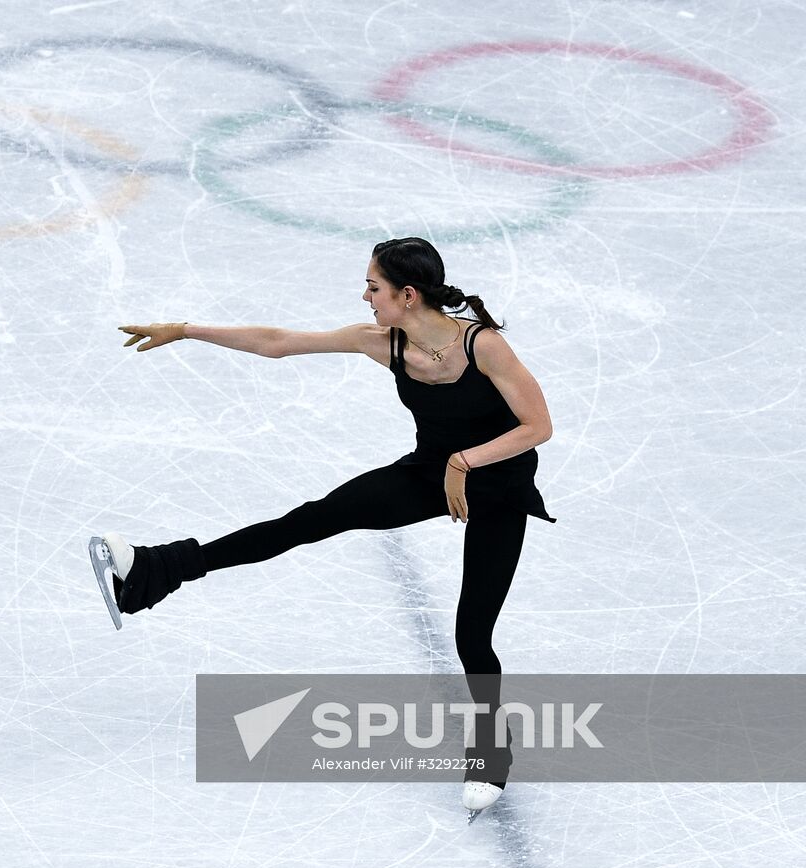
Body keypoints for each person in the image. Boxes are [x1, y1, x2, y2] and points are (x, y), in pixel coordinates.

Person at [97, 237, 557, 818]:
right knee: (311, 520)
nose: (365, 296)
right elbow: (279, 343)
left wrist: (464, 464)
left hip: (499, 488)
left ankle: (492, 752)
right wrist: (187, 330)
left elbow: (538, 425)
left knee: (472, 633)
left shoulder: (483, 346)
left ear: (407, 294)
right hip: (425, 474)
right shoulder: (382, 343)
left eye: (374, 286)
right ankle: (156, 570)